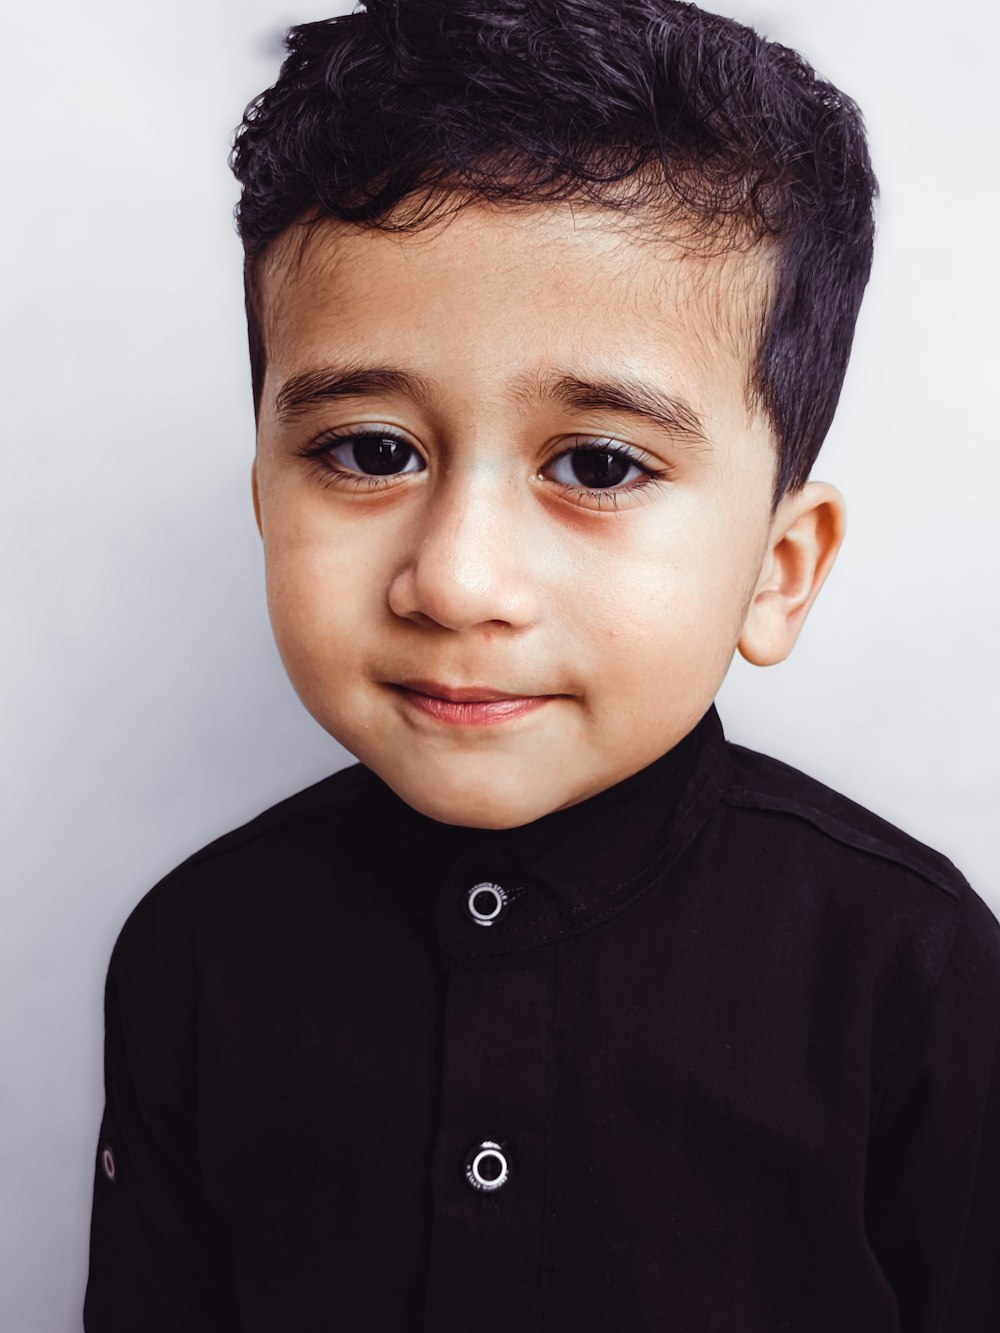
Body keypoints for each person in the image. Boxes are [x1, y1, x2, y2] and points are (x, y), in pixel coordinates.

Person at [83, 1, 1000, 1328]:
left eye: (598, 465)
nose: (456, 578)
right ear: (267, 495)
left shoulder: (913, 975)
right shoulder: (194, 955)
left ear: (778, 569)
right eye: (369, 450)